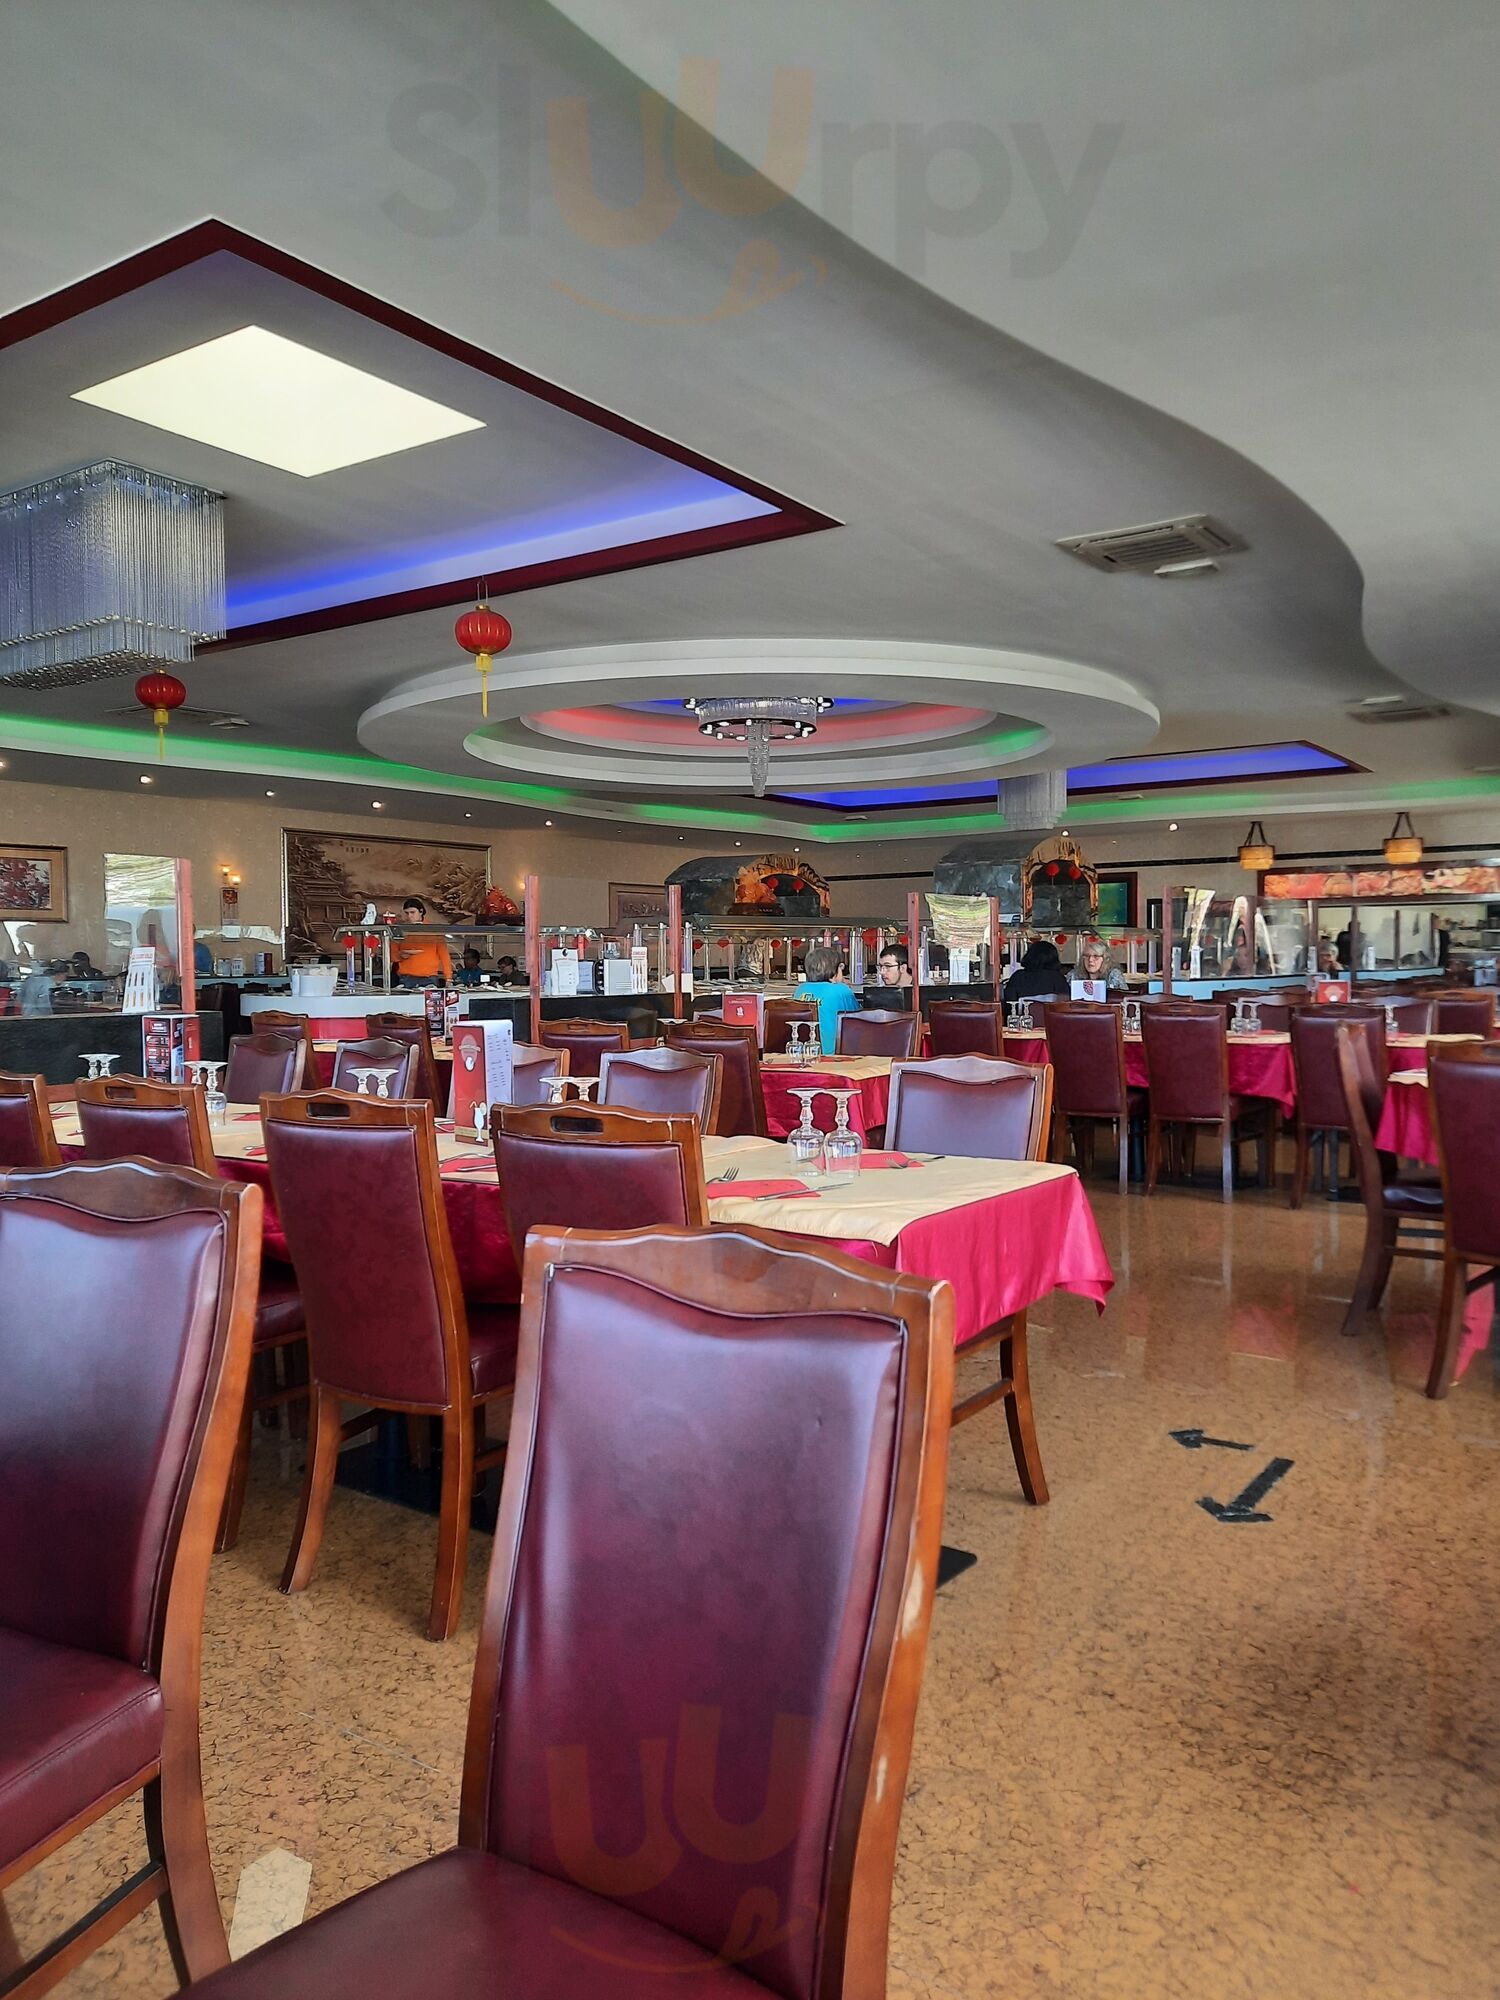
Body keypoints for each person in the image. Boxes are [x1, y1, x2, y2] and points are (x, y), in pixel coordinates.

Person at [795, 942, 863, 1053]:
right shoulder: (841, 990)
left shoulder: (800, 989)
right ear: (834, 971)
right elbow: (860, 1019)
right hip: (835, 1054)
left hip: (804, 1052)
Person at [389, 897, 453, 986]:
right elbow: (392, 956)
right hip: (406, 977)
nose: (409, 916)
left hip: (429, 978)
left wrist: (448, 978)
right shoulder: (401, 931)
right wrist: (400, 956)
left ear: (421, 911)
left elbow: (444, 956)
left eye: (412, 912)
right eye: (407, 913)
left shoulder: (433, 931)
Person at [1003, 939, 1071, 1004]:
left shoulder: (1018, 977)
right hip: (1050, 1012)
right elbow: (1065, 1003)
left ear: (1029, 955)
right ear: (1054, 959)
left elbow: (1009, 1002)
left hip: (1022, 1012)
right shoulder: (1058, 979)